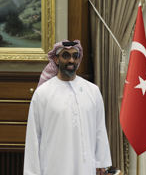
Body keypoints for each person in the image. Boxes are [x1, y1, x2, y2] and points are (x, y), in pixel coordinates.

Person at [24, 40, 112, 175]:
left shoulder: (92, 91)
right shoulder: (43, 93)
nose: (71, 60)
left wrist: (101, 162)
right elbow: (34, 137)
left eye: (75, 56)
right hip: (53, 168)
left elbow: (99, 128)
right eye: (66, 55)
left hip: (86, 167)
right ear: (56, 60)